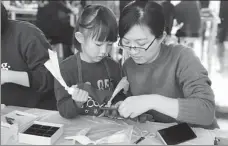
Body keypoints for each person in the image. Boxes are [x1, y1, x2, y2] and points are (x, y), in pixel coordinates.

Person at [116, 1, 217, 129]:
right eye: (126, 42)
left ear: (161, 37)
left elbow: (206, 111)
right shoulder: (128, 66)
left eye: (141, 44)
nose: (133, 51)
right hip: (161, 136)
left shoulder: (183, 57)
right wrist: (126, 107)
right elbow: (139, 109)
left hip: (199, 136)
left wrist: (152, 101)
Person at [54, 5, 126, 119]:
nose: (104, 51)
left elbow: (120, 96)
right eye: (98, 44)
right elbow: (63, 110)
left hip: (108, 128)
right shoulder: (65, 69)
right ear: (80, 38)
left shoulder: (113, 67)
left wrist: (119, 104)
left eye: (109, 44)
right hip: (79, 131)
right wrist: (77, 103)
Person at [1, 3, 56, 110]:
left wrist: (8, 76)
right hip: (5, 114)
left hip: (36, 112)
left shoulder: (27, 35)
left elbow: (50, 79)